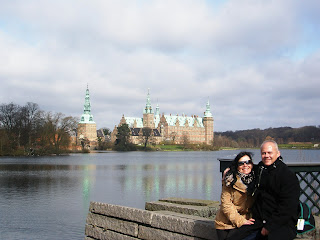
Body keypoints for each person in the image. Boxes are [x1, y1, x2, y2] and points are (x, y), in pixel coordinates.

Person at [250, 140, 300, 239]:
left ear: (278, 153)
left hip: (282, 224)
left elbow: (288, 206)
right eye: (263, 153)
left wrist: (269, 227)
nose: (266, 155)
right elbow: (243, 170)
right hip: (259, 221)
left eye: (269, 152)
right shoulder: (260, 169)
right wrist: (229, 171)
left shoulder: (287, 175)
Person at [215, 151, 257, 240]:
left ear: (252, 164)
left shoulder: (257, 179)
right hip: (225, 222)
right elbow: (226, 204)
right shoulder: (230, 179)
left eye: (248, 162)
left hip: (246, 218)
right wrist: (240, 221)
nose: (245, 165)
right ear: (237, 166)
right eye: (241, 163)